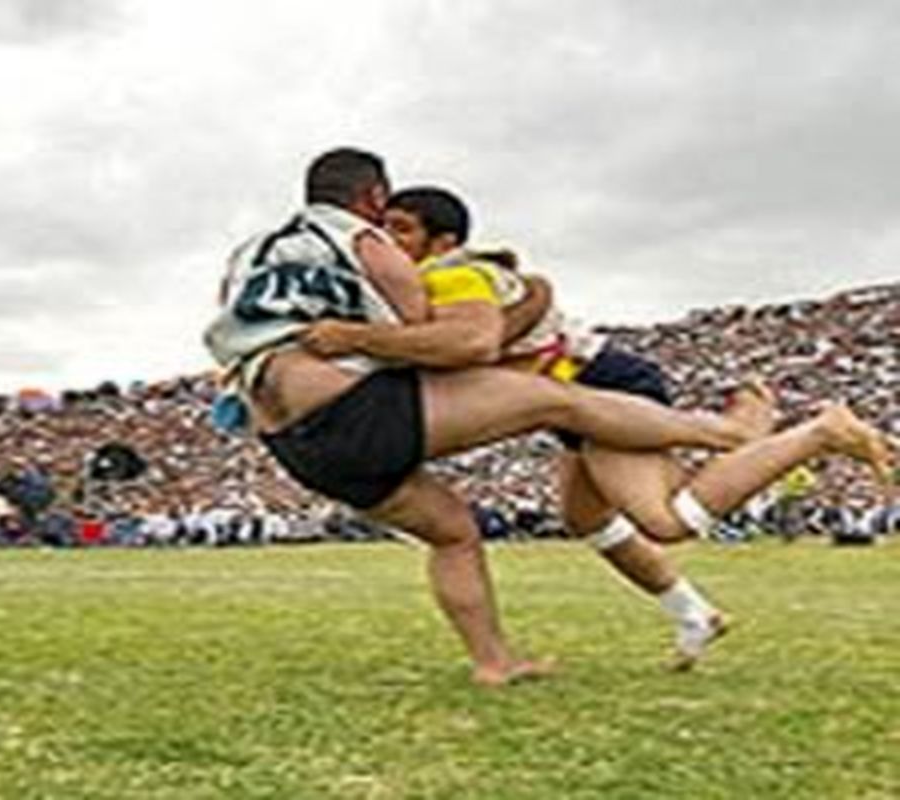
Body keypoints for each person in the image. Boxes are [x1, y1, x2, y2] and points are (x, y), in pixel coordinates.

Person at [203, 148, 770, 686]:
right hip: (352, 411)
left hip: (290, 443)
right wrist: (525, 301)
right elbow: (459, 342)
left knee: (455, 533)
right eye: (390, 218)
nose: (394, 236)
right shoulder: (364, 242)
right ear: (373, 198)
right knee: (569, 416)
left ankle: (496, 662)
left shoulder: (247, 255)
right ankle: (730, 433)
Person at [298, 184, 894, 668]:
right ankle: (695, 615)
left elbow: (471, 346)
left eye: (402, 228)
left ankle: (814, 433)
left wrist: (350, 341)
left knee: (665, 520)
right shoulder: (440, 279)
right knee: (585, 518)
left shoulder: (451, 275)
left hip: (597, 388)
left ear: (443, 240)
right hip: (578, 391)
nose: (386, 241)